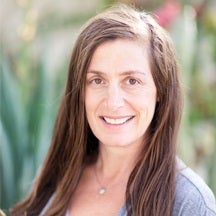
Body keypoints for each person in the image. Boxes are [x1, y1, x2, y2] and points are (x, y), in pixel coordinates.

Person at [11, 4, 216, 216]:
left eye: (132, 81)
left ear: (160, 91)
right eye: (97, 80)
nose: (113, 102)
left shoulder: (190, 203)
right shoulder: (58, 175)